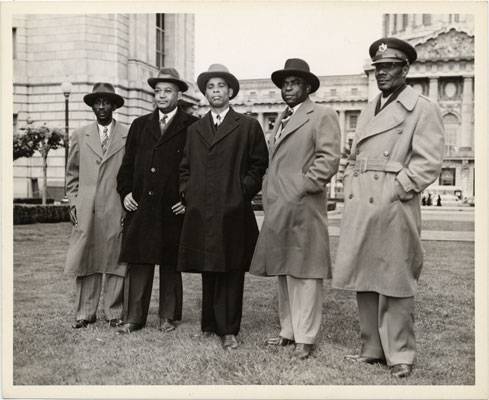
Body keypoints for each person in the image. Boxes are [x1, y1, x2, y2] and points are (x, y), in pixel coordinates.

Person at [333, 38, 445, 378]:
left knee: (396, 279)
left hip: (393, 202)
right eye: (377, 68)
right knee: (365, 276)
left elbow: (428, 162)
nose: (382, 73)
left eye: (389, 67)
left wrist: (400, 188)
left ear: (405, 69)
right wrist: (351, 180)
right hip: (362, 200)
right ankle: (372, 348)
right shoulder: (370, 106)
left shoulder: (422, 107)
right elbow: (354, 155)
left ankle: (400, 354)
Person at [250, 58, 341, 360]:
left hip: (303, 205)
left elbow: (328, 159)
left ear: (307, 86)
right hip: (279, 205)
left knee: (305, 272)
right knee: (284, 270)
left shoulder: (322, 115)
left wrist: (303, 187)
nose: (287, 89)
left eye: (294, 83)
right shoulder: (282, 117)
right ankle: (288, 331)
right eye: (284, 84)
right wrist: (270, 188)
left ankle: (307, 337)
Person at [178, 64, 268, 350]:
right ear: (205, 93)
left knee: (230, 267)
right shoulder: (195, 129)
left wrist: (242, 190)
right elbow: (185, 167)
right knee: (209, 265)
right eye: (210, 87)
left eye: (220, 87)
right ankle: (209, 323)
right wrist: (189, 192)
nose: (215, 92)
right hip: (202, 209)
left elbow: (259, 164)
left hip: (233, 209)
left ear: (230, 91)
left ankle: (228, 329)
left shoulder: (247, 126)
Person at [116, 68, 198, 334]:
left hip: (172, 207)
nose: (162, 96)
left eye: (168, 91)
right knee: (139, 260)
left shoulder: (192, 125)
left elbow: (197, 168)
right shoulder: (140, 125)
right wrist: (126, 192)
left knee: (170, 261)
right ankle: (134, 317)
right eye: (158, 91)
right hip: (141, 205)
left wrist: (187, 199)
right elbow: (127, 165)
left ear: (179, 95)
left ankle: (168, 316)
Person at [65, 82, 128, 329]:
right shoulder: (80, 135)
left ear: (114, 105)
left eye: (106, 102)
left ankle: (114, 313)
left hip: (115, 203)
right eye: (97, 102)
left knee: (115, 258)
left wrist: (127, 203)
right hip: (87, 206)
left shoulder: (127, 134)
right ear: (92, 106)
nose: (101, 107)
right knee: (87, 257)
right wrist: (74, 202)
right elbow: (72, 174)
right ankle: (85, 313)